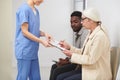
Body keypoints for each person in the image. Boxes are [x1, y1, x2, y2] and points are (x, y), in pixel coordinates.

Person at [57, 8, 112, 80]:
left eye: (83, 19)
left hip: (97, 74)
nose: (81, 22)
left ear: (91, 20)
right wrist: (69, 47)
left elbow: (90, 59)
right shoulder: (91, 32)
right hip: (89, 70)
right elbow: (83, 52)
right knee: (60, 77)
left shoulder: (100, 36)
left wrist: (72, 55)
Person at [15, 0, 52, 80]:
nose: (42, 1)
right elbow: (25, 32)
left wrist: (45, 34)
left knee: (36, 77)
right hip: (24, 50)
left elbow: (34, 30)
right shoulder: (24, 9)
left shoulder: (36, 11)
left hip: (33, 51)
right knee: (22, 77)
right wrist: (42, 41)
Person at [49, 11, 88, 80]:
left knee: (57, 72)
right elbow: (77, 51)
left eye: (75, 22)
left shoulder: (85, 34)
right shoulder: (78, 34)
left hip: (80, 65)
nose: (72, 24)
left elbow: (83, 55)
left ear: (81, 22)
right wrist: (67, 59)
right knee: (54, 67)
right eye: (71, 22)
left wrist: (69, 60)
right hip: (77, 62)